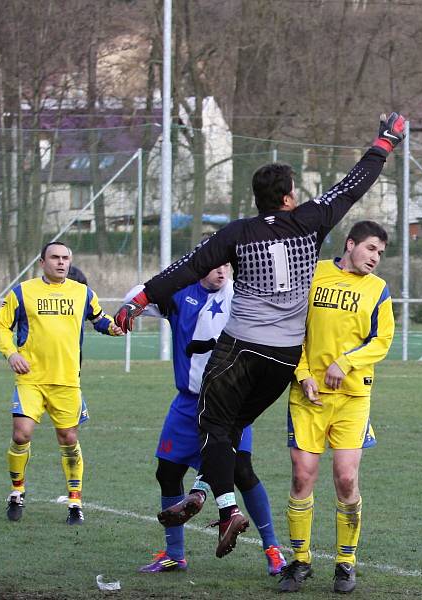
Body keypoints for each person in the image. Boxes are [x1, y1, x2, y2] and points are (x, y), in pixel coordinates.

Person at [115, 112, 406, 558]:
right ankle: (203, 491)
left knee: (211, 422)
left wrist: (140, 299)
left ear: (259, 200)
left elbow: (189, 267)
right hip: (285, 356)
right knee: (231, 428)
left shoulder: (237, 233)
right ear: (289, 198)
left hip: (240, 348)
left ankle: (227, 508)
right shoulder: (310, 220)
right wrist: (386, 141)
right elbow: (354, 185)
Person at [125, 265, 287, 576]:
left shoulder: (243, 295)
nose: (222, 270)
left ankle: (273, 550)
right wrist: (176, 274)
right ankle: (174, 554)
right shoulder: (179, 294)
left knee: (241, 471)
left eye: (226, 264)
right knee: (168, 472)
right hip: (188, 402)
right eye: (214, 264)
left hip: (229, 403)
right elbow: (132, 296)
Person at [278, 221, 394, 594]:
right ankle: (300, 560)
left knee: (346, 479)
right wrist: (302, 374)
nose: (375, 258)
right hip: (308, 397)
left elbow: (383, 340)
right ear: (351, 244)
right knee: (302, 476)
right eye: (371, 248)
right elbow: (291, 327)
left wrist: (344, 363)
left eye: (380, 253)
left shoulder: (378, 290)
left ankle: (346, 563)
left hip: (352, 399)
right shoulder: (315, 274)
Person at [0, 241, 124, 525]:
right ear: (42, 262)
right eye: (55, 257)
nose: (61, 262)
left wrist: (113, 327)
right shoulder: (23, 292)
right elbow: (1, 326)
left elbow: (99, 319)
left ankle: (75, 502)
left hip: (66, 381)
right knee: (21, 434)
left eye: (65, 258)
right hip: (31, 379)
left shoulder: (82, 293)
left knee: (69, 439)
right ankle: (17, 492)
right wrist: (12, 353)